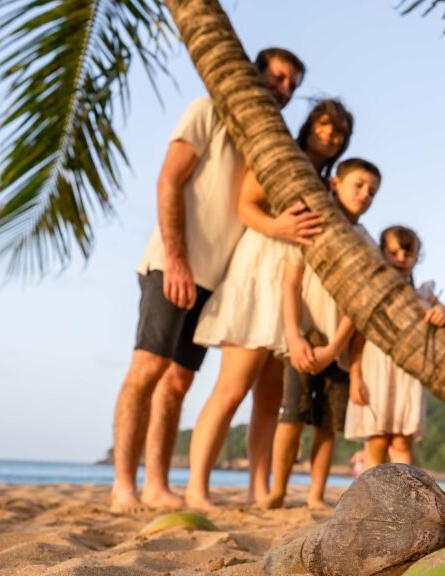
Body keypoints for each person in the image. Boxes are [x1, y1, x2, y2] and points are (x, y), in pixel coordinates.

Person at [110, 48, 305, 513]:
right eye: (278, 78)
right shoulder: (207, 111)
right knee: (146, 370)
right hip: (172, 264)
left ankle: (156, 484)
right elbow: (168, 180)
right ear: (253, 73)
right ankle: (123, 486)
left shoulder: (260, 141)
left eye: (291, 85)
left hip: (214, 280)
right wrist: (176, 260)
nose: (284, 90)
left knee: (178, 382)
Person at [184, 100, 354, 511]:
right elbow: (246, 204)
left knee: (270, 396)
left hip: (294, 287)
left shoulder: (328, 182)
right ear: (310, 125)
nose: (331, 136)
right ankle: (196, 488)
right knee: (231, 388)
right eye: (325, 126)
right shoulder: (282, 157)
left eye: (340, 132)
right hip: (261, 269)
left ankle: (258, 489)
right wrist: (282, 226)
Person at [266, 158, 382, 509]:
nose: (365, 195)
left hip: (339, 346)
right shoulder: (311, 224)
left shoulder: (365, 241)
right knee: (292, 415)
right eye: (358, 185)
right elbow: (290, 283)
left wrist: (335, 348)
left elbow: (359, 303)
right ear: (335, 183)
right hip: (301, 337)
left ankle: (315, 494)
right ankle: (278, 491)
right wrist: (293, 336)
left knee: (328, 423)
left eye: (372, 192)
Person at [344, 226, 445, 469]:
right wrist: (354, 377)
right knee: (378, 440)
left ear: (416, 258)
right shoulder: (372, 294)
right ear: (381, 254)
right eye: (393, 253)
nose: (401, 259)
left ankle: (405, 495)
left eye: (408, 253)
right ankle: (372, 497)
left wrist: (443, 311)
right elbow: (358, 338)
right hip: (374, 371)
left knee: (403, 441)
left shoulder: (422, 294)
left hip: (407, 374)